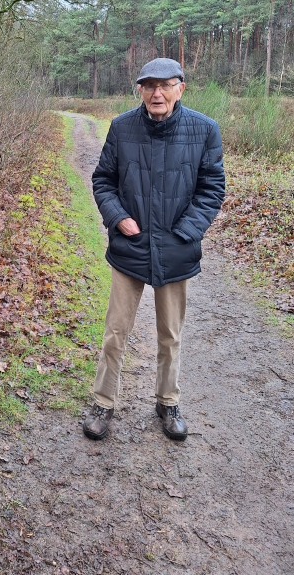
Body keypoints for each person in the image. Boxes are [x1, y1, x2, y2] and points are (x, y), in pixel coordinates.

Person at [84, 58, 225, 441]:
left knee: (170, 334)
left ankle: (168, 401)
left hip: (177, 249)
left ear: (181, 87)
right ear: (141, 90)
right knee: (115, 332)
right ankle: (103, 403)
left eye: (164, 85)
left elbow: (212, 189)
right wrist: (118, 217)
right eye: (148, 86)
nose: (156, 93)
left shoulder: (204, 130)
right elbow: (103, 182)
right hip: (129, 248)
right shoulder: (122, 128)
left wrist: (186, 233)